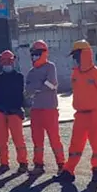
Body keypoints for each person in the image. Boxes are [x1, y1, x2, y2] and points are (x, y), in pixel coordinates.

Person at [58, 40, 97, 184]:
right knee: (75, 144)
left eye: (76, 56)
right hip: (80, 115)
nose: (74, 59)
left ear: (84, 55)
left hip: (95, 115)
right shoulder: (75, 74)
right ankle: (68, 170)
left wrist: (96, 107)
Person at [24, 40, 65, 175]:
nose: (35, 56)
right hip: (36, 110)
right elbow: (28, 90)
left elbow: (52, 84)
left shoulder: (50, 67)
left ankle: (61, 164)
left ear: (44, 53)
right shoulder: (31, 71)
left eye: (37, 53)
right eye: (33, 53)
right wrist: (41, 86)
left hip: (50, 109)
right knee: (37, 139)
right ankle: (38, 165)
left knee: (54, 138)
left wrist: (37, 88)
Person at [0, 50, 28, 173]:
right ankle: (4, 163)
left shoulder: (18, 77)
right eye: (5, 61)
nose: (7, 63)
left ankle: (23, 162)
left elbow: (17, 94)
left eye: (8, 61)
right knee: (2, 139)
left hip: (14, 111)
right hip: (1, 111)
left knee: (18, 139)